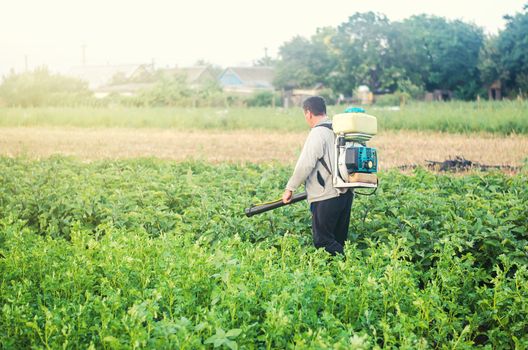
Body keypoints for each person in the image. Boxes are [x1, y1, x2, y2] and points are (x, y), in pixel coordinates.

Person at [282, 96, 353, 255]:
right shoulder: (340, 130)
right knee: (338, 240)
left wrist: (290, 188)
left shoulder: (318, 132)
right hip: (346, 193)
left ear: (308, 113)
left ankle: (354, 263)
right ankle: (341, 275)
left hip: (326, 195)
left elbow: (305, 164)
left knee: (323, 241)